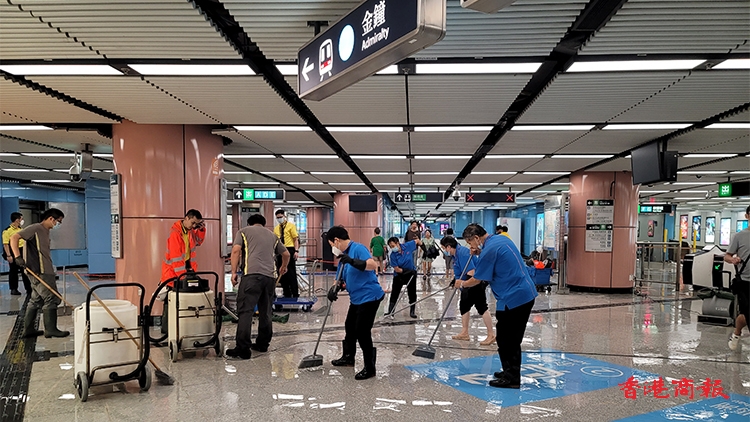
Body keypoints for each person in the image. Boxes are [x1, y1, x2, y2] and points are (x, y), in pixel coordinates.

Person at [458, 223, 537, 389]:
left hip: (515, 298)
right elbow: (494, 259)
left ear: (477, 238)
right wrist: (479, 252)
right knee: (505, 336)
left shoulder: (489, 250)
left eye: (470, 242)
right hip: (523, 292)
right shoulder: (500, 239)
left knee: (509, 339)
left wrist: (462, 283)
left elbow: (477, 279)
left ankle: (512, 378)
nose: (470, 246)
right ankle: (508, 370)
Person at [227, 214, 289, 359]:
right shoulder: (273, 236)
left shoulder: (243, 231)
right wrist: (283, 267)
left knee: (245, 311)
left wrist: (234, 272)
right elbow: (286, 253)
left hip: (251, 276)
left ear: (249, 223)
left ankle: (243, 349)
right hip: (269, 278)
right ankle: (262, 344)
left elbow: (236, 250)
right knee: (266, 312)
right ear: (263, 223)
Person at [326, 226, 384, 380]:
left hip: (370, 296)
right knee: (350, 326)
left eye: (331, 244)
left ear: (336, 241)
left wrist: (353, 261)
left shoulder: (358, 248)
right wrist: (335, 288)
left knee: (362, 331)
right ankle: (348, 357)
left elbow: (373, 265)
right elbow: (339, 278)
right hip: (357, 298)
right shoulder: (343, 257)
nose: (332, 248)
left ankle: (370, 368)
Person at [10, 208, 69, 338]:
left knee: (36, 300)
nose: (57, 224)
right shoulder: (36, 228)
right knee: (52, 298)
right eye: (58, 221)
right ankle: (51, 329)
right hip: (39, 271)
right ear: (51, 218)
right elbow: (14, 237)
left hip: (45, 270)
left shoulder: (45, 231)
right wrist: (17, 257)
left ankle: (28, 329)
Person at [440, 236, 495, 346]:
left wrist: (461, 282)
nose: (444, 251)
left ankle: (491, 334)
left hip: (474, 284)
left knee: (482, 307)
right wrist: (455, 281)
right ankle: (465, 333)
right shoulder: (456, 255)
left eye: (444, 248)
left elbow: (472, 273)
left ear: (449, 247)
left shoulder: (463, 253)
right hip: (466, 285)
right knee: (464, 307)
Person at [160, 209, 206, 334]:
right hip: (173, 274)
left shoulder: (188, 231)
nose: (194, 226)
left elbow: (199, 241)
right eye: (193, 223)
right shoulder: (175, 233)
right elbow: (176, 259)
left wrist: (201, 229)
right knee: (170, 303)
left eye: (196, 224)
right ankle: (167, 330)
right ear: (186, 218)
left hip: (185, 270)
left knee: (179, 302)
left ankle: (178, 328)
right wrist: (182, 277)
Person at [726, 205, 750, 351]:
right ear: (747, 216)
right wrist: (733, 260)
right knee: (747, 313)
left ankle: (736, 333)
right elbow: (727, 256)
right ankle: (736, 333)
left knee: (747, 315)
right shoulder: (739, 236)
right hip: (745, 282)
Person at [385, 236, 422, 318]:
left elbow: (417, 241)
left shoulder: (407, 246)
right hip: (399, 275)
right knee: (395, 293)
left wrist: (424, 248)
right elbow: (397, 269)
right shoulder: (393, 256)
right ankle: (391, 312)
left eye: (393, 245)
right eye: (390, 247)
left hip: (411, 275)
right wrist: (407, 271)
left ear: (398, 243)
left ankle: (412, 311)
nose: (392, 248)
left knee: (412, 293)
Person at [3, 212, 31, 295]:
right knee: (13, 271)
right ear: (17, 220)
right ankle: (13, 289)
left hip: (22, 251)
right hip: (12, 251)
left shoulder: (21, 230)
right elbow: (6, 244)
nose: (22, 221)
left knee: (24, 271)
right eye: (21, 219)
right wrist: (9, 255)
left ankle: (28, 288)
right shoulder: (7, 231)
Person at [274, 210, 300, 298]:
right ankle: (286, 293)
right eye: (277, 218)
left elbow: (295, 239)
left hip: (289, 249)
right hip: (279, 251)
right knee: (281, 272)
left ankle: (295, 293)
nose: (279, 219)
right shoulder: (276, 228)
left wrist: (296, 251)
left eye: (280, 217)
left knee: (291, 273)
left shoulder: (291, 226)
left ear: (284, 216)